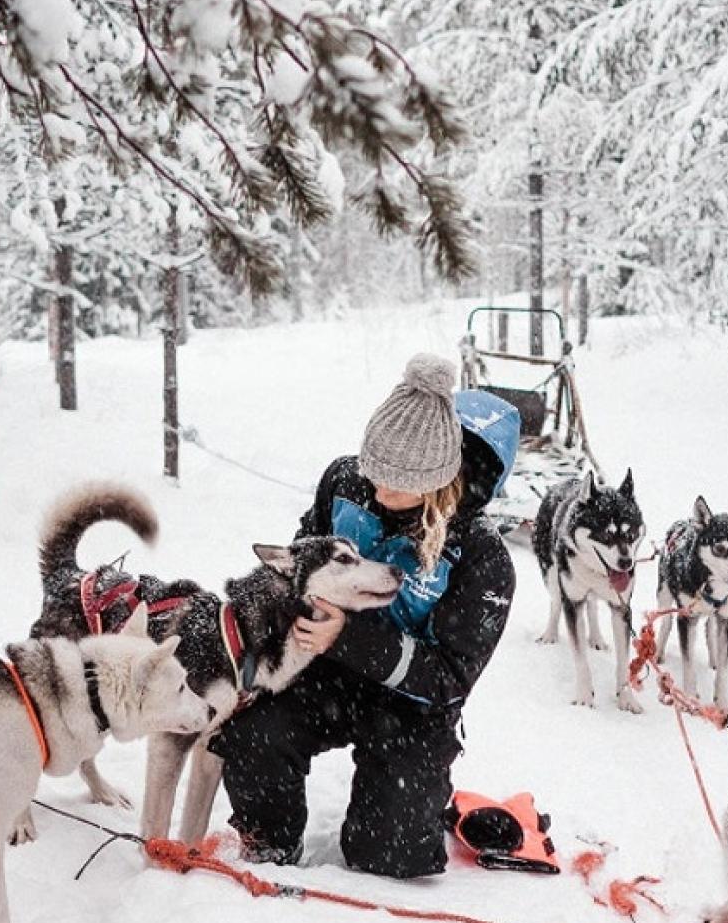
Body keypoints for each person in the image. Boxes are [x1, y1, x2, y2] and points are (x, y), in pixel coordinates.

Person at [209, 353, 520, 878]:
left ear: (438, 477)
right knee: (253, 731)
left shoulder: (484, 560)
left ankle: (419, 793)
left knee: (389, 855)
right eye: (372, 471)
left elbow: (449, 678)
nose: (377, 491)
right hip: (325, 673)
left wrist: (348, 636)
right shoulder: (345, 481)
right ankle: (270, 849)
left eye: (396, 483)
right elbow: (299, 571)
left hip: (413, 702)